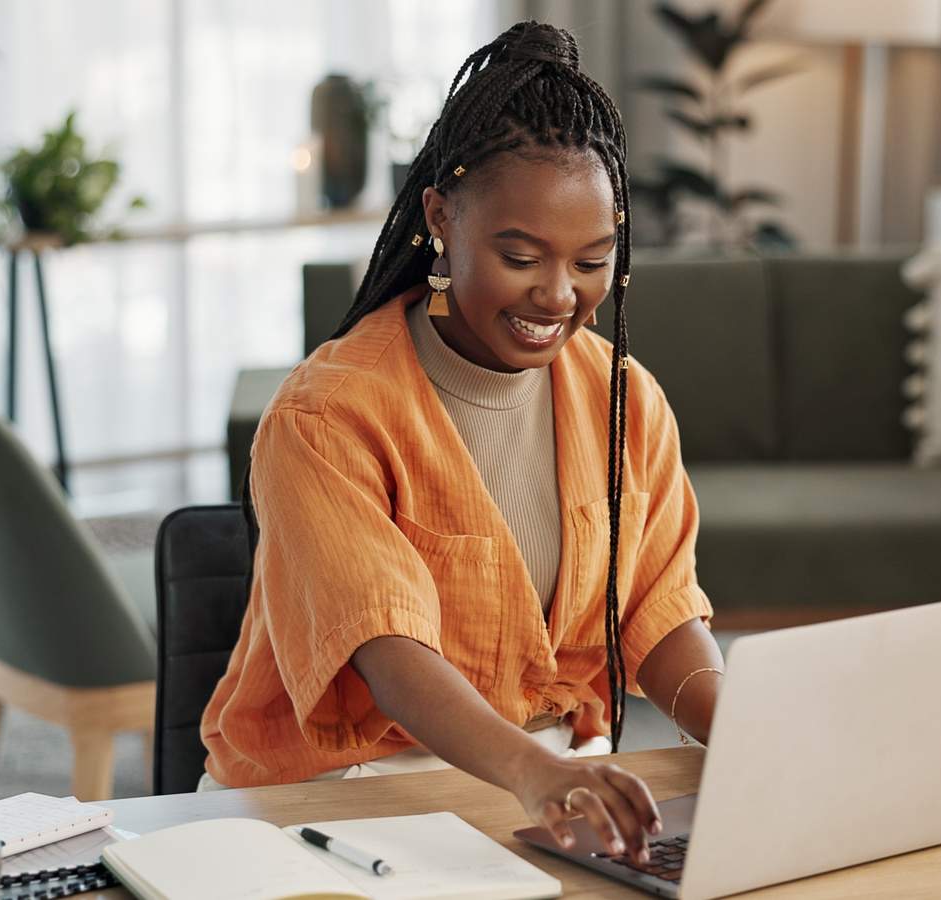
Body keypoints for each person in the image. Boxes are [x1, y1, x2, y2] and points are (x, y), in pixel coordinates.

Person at [198, 22, 723, 865]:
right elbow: (388, 650)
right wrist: (532, 773)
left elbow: (655, 613)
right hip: (341, 798)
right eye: (521, 256)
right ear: (442, 215)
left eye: (592, 261)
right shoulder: (327, 416)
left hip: (546, 782)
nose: (559, 296)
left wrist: (739, 726)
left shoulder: (625, 397)